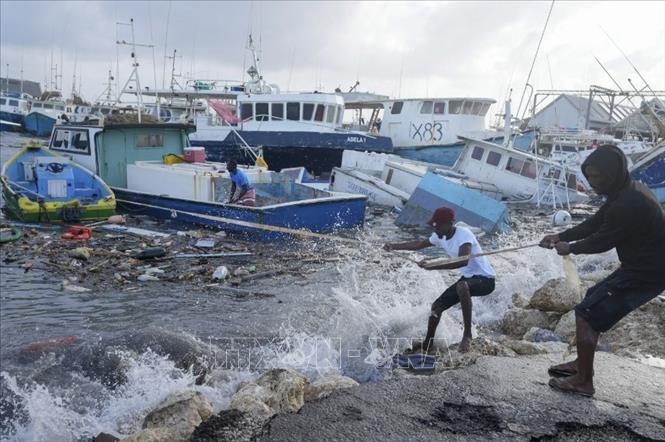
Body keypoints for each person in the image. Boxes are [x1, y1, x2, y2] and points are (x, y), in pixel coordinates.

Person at [540, 145, 665, 397]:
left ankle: (584, 381)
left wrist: (568, 247)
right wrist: (560, 235)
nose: (592, 183)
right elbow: (595, 223)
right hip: (643, 265)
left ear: (612, 173)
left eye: (596, 177)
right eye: (589, 177)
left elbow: (601, 241)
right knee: (592, 296)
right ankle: (580, 365)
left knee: (586, 313)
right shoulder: (627, 190)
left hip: (649, 271)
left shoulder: (628, 203)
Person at [384, 207, 496, 353]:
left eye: (437, 226)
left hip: (486, 280)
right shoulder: (439, 236)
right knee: (436, 307)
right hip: (469, 279)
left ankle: (467, 335)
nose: (434, 229)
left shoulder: (464, 235)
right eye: (434, 226)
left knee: (462, 286)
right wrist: (393, 246)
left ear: (450, 223)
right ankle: (428, 343)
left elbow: (462, 261)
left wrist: (434, 265)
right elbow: (418, 245)